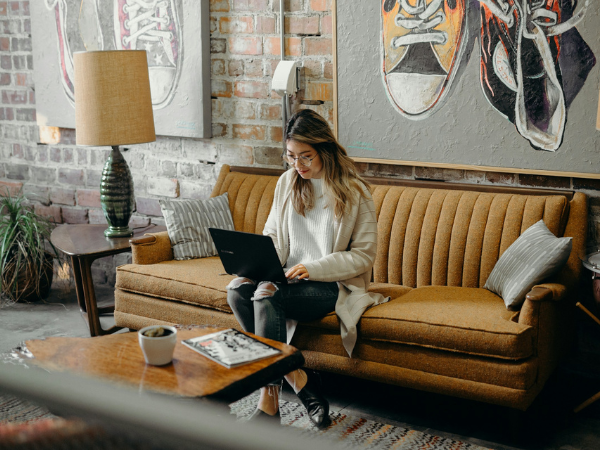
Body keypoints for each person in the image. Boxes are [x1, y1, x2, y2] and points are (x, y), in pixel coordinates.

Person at [226, 109, 388, 428]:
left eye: (306, 157)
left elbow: (363, 256)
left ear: (324, 150)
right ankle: (300, 378)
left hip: (331, 284)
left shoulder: (355, 191)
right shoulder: (288, 182)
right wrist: (258, 261)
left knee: (266, 294)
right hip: (287, 275)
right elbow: (273, 234)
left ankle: (268, 404)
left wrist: (311, 268)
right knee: (238, 289)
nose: (298, 166)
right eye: (291, 157)